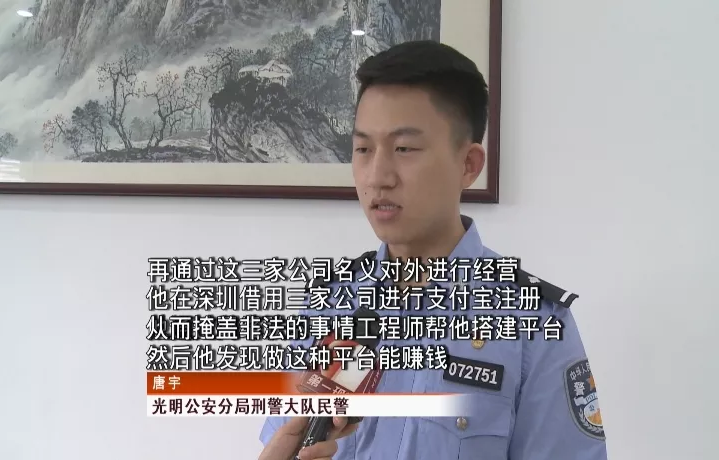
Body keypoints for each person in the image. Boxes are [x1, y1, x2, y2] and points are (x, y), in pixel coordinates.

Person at [259, 40, 607, 459]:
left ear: (468, 165)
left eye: (404, 149)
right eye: (363, 149)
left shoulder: (535, 322)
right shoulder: (329, 304)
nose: (377, 176)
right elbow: (283, 440)